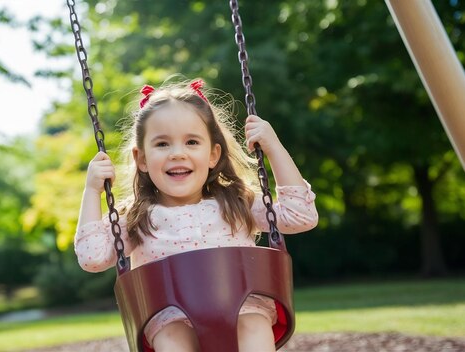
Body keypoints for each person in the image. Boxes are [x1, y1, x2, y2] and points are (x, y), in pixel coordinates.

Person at [75, 79, 318, 352]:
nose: (178, 154)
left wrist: (274, 148)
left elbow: (302, 216)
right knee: (173, 338)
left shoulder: (236, 202)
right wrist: (92, 191)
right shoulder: (137, 217)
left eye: (192, 142)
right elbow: (92, 257)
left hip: (242, 308)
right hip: (171, 317)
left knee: (253, 327)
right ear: (142, 159)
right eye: (162, 144)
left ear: (213, 154)